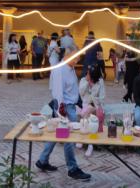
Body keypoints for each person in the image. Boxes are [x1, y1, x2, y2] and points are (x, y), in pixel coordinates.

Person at [35, 49, 91, 181]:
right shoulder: (60, 69)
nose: (77, 61)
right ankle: (72, 169)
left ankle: (42, 160)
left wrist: (79, 103)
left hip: (70, 106)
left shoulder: (69, 67)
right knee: (69, 138)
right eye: (75, 58)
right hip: (64, 107)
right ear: (67, 55)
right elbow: (58, 93)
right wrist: (61, 114)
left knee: (59, 134)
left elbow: (71, 89)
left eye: (78, 58)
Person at [77, 64, 105, 157]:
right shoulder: (83, 80)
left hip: (96, 105)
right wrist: (87, 83)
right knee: (87, 113)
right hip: (86, 105)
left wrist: (92, 97)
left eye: (89, 74)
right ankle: (89, 142)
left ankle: (88, 143)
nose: (87, 74)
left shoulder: (100, 82)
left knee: (87, 112)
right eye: (87, 73)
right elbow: (81, 93)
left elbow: (102, 99)